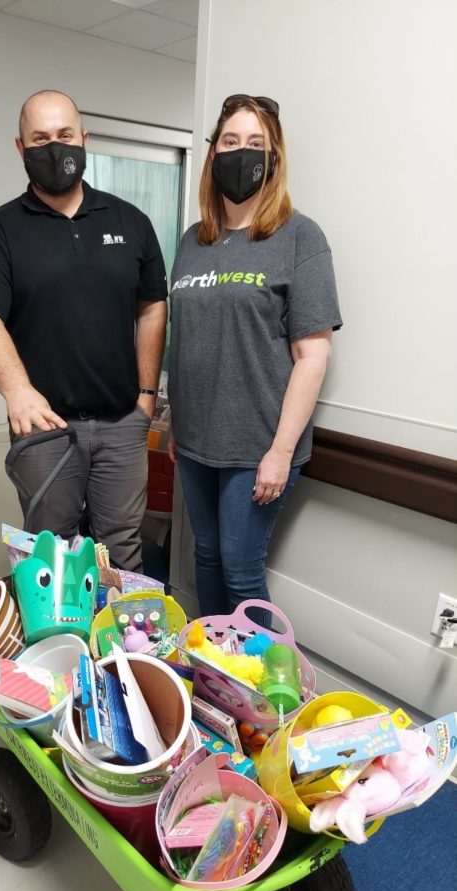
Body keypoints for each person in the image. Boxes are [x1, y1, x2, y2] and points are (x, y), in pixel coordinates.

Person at [0, 90, 167, 573]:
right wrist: (18, 392)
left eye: (65, 135)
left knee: (122, 546)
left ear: (84, 139)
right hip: (43, 427)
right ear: (20, 147)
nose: (55, 147)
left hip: (123, 421)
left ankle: (120, 625)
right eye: (40, 138)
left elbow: (152, 307)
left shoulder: (131, 221)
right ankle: (61, 627)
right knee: (51, 553)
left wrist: (146, 396)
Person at [168, 94, 342, 621]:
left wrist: (280, 453)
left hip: (257, 444)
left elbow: (312, 356)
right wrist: (177, 424)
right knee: (205, 554)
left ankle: (258, 674)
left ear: (273, 158)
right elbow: (188, 339)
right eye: (229, 141)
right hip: (195, 441)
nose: (240, 152)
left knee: (241, 568)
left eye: (254, 143)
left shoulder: (299, 236)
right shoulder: (193, 241)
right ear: (212, 153)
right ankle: (210, 662)